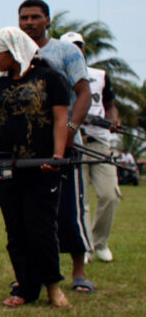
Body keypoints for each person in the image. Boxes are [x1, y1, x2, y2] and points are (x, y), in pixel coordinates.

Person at [0, 27, 72, 308]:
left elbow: (60, 120)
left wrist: (57, 156)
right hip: (6, 168)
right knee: (15, 231)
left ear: (13, 50)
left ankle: (53, 288)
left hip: (41, 168)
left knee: (41, 229)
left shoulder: (50, 79)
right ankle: (25, 288)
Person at [17, 0, 94, 293]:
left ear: (48, 20)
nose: (28, 22)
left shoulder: (66, 52)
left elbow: (83, 93)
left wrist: (71, 129)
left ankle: (79, 272)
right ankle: (34, 274)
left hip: (64, 146)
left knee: (67, 211)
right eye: (23, 17)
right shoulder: (16, 54)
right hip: (27, 150)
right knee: (30, 216)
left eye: (35, 17)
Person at [62, 31, 122, 263]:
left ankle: (100, 241)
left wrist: (114, 120)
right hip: (74, 140)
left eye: (79, 46)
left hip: (98, 141)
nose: (76, 50)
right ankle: (85, 246)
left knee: (109, 194)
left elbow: (110, 105)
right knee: (81, 198)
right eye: (71, 46)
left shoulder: (100, 75)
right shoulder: (58, 73)